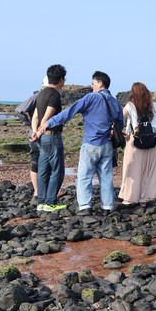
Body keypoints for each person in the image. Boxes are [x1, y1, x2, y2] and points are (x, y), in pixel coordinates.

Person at [38, 70, 123, 216]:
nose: (92, 86)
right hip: (108, 145)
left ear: (100, 83)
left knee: (85, 176)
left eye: (93, 83)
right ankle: (107, 207)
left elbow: (70, 112)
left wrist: (49, 123)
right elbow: (120, 123)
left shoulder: (91, 97)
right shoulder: (114, 101)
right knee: (106, 177)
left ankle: (85, 207)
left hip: (91, 143)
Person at [120, 82, 156, 206]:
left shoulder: (130, 106)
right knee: (148, 170)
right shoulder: (153, 106)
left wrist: (123, 133)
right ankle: (146, 197)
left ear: (133, 93)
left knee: (132, 170)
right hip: (151, 140)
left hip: (135, 140)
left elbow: (119, 118)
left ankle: (130, 198)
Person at [30, 64, 68, 212]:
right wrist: (40, 130)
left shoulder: (41, 93)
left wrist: (35, 131)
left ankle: (41, 202)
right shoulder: (54, 94)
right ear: (60, 80)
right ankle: (50, 202)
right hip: (51, 136)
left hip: (42, 138)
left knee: (43, 169)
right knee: (57, 170)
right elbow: (48, 114)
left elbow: (35, 116)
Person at [15, 77, 49, 198]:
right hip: (37, 134)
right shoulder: (38, 96)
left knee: (39, 162)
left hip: (38, 133)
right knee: (39, 162)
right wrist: (29, 125)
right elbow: (19, 110)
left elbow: (20, 110)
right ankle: (38, 190)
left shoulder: (41, 96)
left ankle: (40, 190)